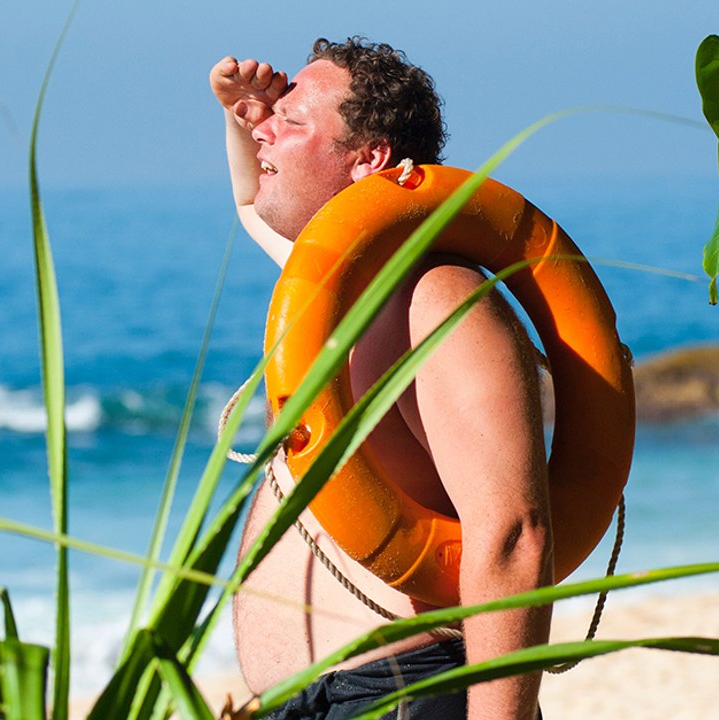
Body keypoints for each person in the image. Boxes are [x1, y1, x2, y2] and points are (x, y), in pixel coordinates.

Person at [210, 38, 551, 720]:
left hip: (400, 694)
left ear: (367, 160)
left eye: (291, 120)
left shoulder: (434, 298)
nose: (262, 132)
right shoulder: (335, 292)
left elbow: (512, 532)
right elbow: (251, 203)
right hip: (306, 702)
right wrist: (236, 114)